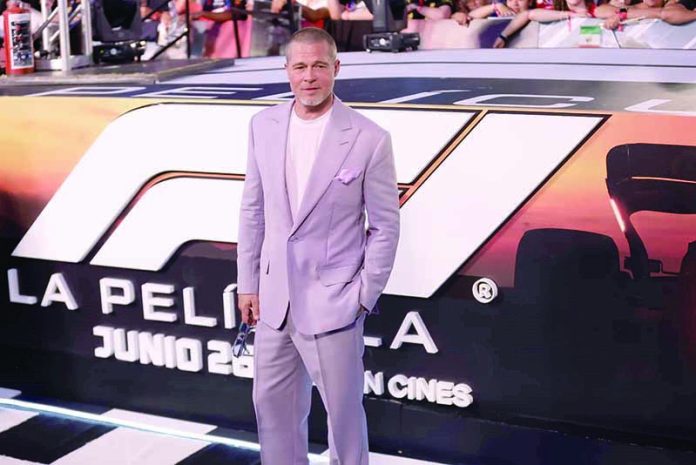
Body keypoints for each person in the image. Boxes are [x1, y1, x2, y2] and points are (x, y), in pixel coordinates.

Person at [236, 27, 400, 465]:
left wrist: (363, 295)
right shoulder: (263, 125)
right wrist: (248, 284)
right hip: (273, 301)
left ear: (336, 68)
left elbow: (385, 226)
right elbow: (253, 209)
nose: (309, 76)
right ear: (287, 70)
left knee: (343, 419)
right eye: (300, 67)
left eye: (319, 66)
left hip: (335, 303)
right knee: (272, 411)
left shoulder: (369, 138)